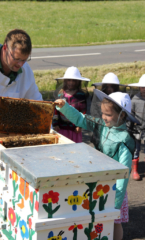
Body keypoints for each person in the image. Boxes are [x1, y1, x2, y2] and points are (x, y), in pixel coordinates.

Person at [55, 89, 139, 240]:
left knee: (114, 221)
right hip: (100, 181)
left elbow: (123, 173)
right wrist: (64, 107)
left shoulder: (125, 140)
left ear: (122, 115)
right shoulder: (101, 125)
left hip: (115, 189)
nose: (103, 117)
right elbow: (81, 119)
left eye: (108, 114)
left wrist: (116, 201)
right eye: (102, 113)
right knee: (97, 219)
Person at [0, 29, 42, 130]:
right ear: (5, 48)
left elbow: (37, 106)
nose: (20, 64)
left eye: (24, 60)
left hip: (7, 134)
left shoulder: (26, 70)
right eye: (16, 58)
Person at [53, 66, 90, 143]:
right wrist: (55, 123)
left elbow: (83, 111)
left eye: (74, 80)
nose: (71, 82)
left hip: (75, 130)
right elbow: (56, 110)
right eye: (69, 80)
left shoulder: (80, 95)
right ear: (65, 81)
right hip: (61, 129)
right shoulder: (61, 94)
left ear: (78, 82)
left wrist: (79, 126)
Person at [128, 74, 145, 180]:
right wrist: (129, 129)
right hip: (137, 129)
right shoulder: (134, 99)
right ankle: (134, 170)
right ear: (139, 87)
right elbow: (130, 115)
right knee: (136, 149)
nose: (144, 89)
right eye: (143, 86)